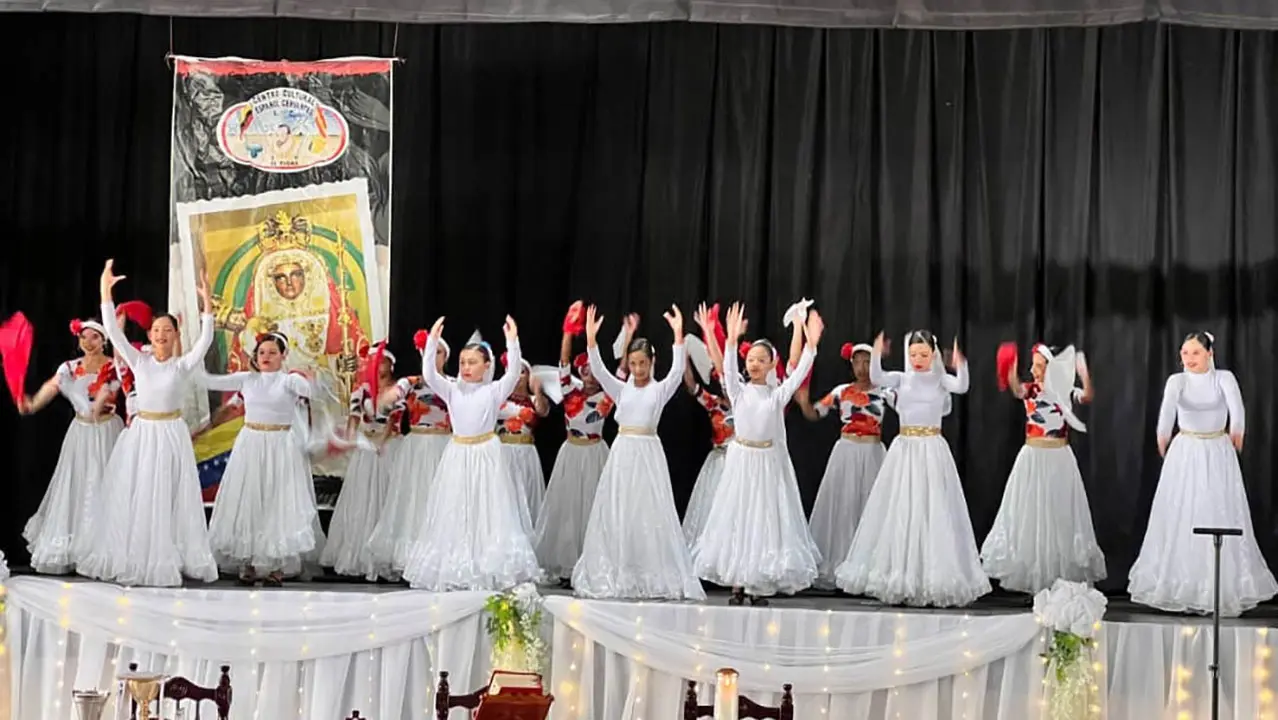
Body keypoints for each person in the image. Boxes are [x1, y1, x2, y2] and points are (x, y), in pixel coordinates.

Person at [77, 259, 218, 587]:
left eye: (167, 330)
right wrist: (105, 290)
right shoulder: (139, 360)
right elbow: (112, 331)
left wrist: (207, 303)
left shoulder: (182, 366)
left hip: (171, 433)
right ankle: (138, 554)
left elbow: (206, 340)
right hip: (143, 433)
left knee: (168, 493)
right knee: (141, 492)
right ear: (150, 335)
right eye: (157, 330)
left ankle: (168, 553)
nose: (162, 335)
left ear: (174, 334)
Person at [835, 331, 989, 607]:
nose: (918, 360)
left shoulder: (940, 380)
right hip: (905, 448)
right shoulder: (901, 378)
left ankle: (931, 577)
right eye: (913, 354)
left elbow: (962, 386)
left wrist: (960, 363)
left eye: (924, 354)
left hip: (931, 448)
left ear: (933, 355)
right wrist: (877, 354)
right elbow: (878, 377)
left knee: (933, 510)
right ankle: (900, 576)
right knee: (902, 509)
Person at [1128, 332, 1277, 616]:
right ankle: (1179, 585)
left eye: (1195, 353)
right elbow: (1166, 413)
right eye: (1185, 353)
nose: (1189, 359)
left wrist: (1236, 435)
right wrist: (1163, 437)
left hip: (1217, 450)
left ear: (1209, 353)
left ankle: (1217, 587)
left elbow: (1238, 411)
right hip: (1186, 451)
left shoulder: (1224, 378)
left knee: (1216, 511)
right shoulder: (1177, 381)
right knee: (1182, 514)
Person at [571, 305, 705, 601]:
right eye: (633, 363)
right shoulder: (621, 389)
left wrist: (678, 335)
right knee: (619, 508)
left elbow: (675, 371)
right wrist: (592, 341)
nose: (638, 369)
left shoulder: (659, 390)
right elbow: (603, 372)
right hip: (622, 454)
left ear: (651, 362)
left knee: (648, 510)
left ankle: (646, 569)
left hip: (648, 454)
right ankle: (619, 566)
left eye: (643, 363)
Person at [692, 303, 822, 605]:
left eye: (761, 360)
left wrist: (812, 346)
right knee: (738, 519)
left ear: (770, 365)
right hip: (740, 462)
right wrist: (732, 340)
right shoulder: (737, 390)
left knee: (761, 521)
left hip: (765, 464)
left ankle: (755, 582)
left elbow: (799, 370)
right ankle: (738, 582)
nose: (754, 364)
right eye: (750, 359)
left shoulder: (777, 396)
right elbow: (726, 368)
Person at [400, 317, 541, 591]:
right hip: (458, 454)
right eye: (463, 362)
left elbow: (513, 372)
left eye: (473, 362)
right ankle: (457, 565)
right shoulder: (451, 390)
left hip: (486, 454)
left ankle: (486, 564)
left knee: (487, 509)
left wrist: (513, 342)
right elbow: (429, 374)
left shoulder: (493, 390)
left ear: (486, 366)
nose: (466, 367)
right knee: (456, 508)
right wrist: (431, 343)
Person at [980, 343, 1105, 594]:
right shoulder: (1030, 391)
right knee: (1032, 515)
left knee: (1058, 516)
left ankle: (1057, 581)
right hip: (1033, 457)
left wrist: (1085, 375)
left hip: (1059, 458)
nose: (1034, 370)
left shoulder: (1066, 391)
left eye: (1039, 365)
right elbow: (1016, 389)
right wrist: (1010, 369)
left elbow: (1088, 396)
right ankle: (1035, 583)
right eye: (1033, 365)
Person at [199, 332, 322, 586]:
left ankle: (276, 566)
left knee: (277, 502)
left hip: (280, 446)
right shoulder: (247, 379)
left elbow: (311, 391)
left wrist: (307, 379)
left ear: (283, 355)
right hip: (251, 444)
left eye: (272, 352)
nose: (266, 357)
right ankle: (248, 563)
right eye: (262, 352)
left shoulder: (288, 381)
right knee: (248, 499)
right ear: (255, 356)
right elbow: (210, 381)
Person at [532, 303, 631, 584]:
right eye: (584, 370)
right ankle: (565, 565)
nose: (588, 374)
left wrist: (628, 337)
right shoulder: (569, 392)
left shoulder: (607, 396)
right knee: (566, 510)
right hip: (571, 453)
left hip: (595, 452)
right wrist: (568, 331)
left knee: (592, 507)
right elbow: (563, 364)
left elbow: (622, 371)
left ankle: (594, 563)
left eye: (592, 370)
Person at [18, 317, 123, 574]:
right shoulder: (69, 367)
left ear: (104, 340)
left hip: (107, 431)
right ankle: (76, 549)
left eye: (94, 337)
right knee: (77, 486)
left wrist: (101, 402)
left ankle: (103, 552)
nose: (88, 342)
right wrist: (33, 404)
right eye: (84, 337)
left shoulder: (114, 367)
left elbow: (111, 390)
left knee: (105, 486)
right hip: (81, 433)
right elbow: (52, 386)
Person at [796, 341, 892, 589]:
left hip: (873, 452)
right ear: (851, 364)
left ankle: (869, 568)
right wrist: (804, 402)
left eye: (868, 361)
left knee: (872, 507)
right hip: (846, 451)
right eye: (858, 361)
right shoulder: (841, 391)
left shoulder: (886, 391)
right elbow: (815, 413)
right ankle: (841, 564)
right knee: (844, 506)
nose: (863, 367)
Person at [365, 330, 451, 576]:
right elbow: (389, 398)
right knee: (413, 500)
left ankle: (438, 558)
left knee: (438, 501)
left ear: (446, 357)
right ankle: (410, 559)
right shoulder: (410, 382)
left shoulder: (454, 385)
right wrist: (388, 397)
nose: (434, 357)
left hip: (444, 446)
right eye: (429, 352)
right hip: (416, 447)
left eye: (439, 353)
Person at [321, 342, 403, 580]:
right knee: (363, 496)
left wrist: (383, 442)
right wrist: (349, 439)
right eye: (374, 363)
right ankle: (358, 552)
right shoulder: (362, 391)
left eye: (383, 363)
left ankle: (384, 556)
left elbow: (394, 419)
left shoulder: (398, 389)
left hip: (388, 447)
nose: (378, 368)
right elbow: (354, 417)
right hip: (366, 447)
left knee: (386, 497)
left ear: (391, 364)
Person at [680, 303, 736, 546]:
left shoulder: (744, 402)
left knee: (734, 510)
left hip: (739, 462)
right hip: (718, 459)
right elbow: (691, 385)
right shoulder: (714, 403)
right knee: (711, 509)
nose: (723, 385)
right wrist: (682, 354)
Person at [496, 352, 551, 529]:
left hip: (526, 453)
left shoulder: (535, 399)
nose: (518, 377)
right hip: (502, 451)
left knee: (526, 496)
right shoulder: (498, 398)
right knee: (505, 497)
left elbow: (543, 411)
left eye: (522, 372)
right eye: (513, 371)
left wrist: (536, 389)